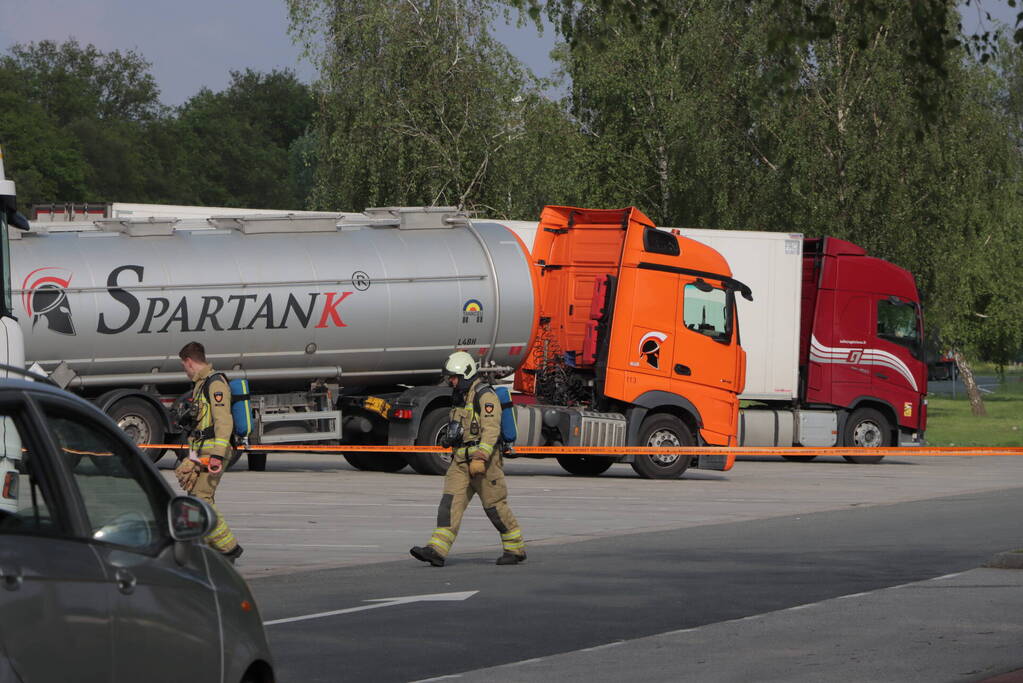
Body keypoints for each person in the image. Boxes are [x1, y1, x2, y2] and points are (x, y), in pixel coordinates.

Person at [410, 351, 526, 567]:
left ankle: (515, 548)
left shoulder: (485, 396)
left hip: (485, 463)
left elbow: (491, 429)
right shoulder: (460, 396)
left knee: (494, 506)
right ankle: (437, 550)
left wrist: (481, 457)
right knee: (449, 504)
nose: (451, 381)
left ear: (465, 374)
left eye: (454, 377)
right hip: (460, 461)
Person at [174, 341, 243, 563]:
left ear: (188, 362)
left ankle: (229, 549)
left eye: (183, 366)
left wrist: (217, 455)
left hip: (213, 451)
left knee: (201, 499)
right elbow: (200, 425)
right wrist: (191, 458)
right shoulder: (200, 384)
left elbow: (224, 421)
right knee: (193, 500)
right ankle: (198, 548)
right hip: (201, 450)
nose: (185, 371)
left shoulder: (215, 384)